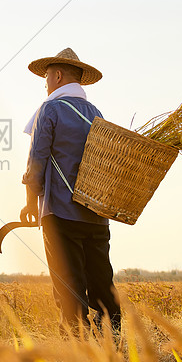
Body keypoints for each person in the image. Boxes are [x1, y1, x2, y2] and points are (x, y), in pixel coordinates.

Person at [20, 47, 121, 334]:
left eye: (47, 77)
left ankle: (79, 356)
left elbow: (36, 161)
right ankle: (113, 345)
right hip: (96, 215)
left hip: (60, 211)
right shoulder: (95, 113)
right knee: (102, 281)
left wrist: (30, 203)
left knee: (68, 286)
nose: (45, 83)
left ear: (58, 75)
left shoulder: (50, 109)